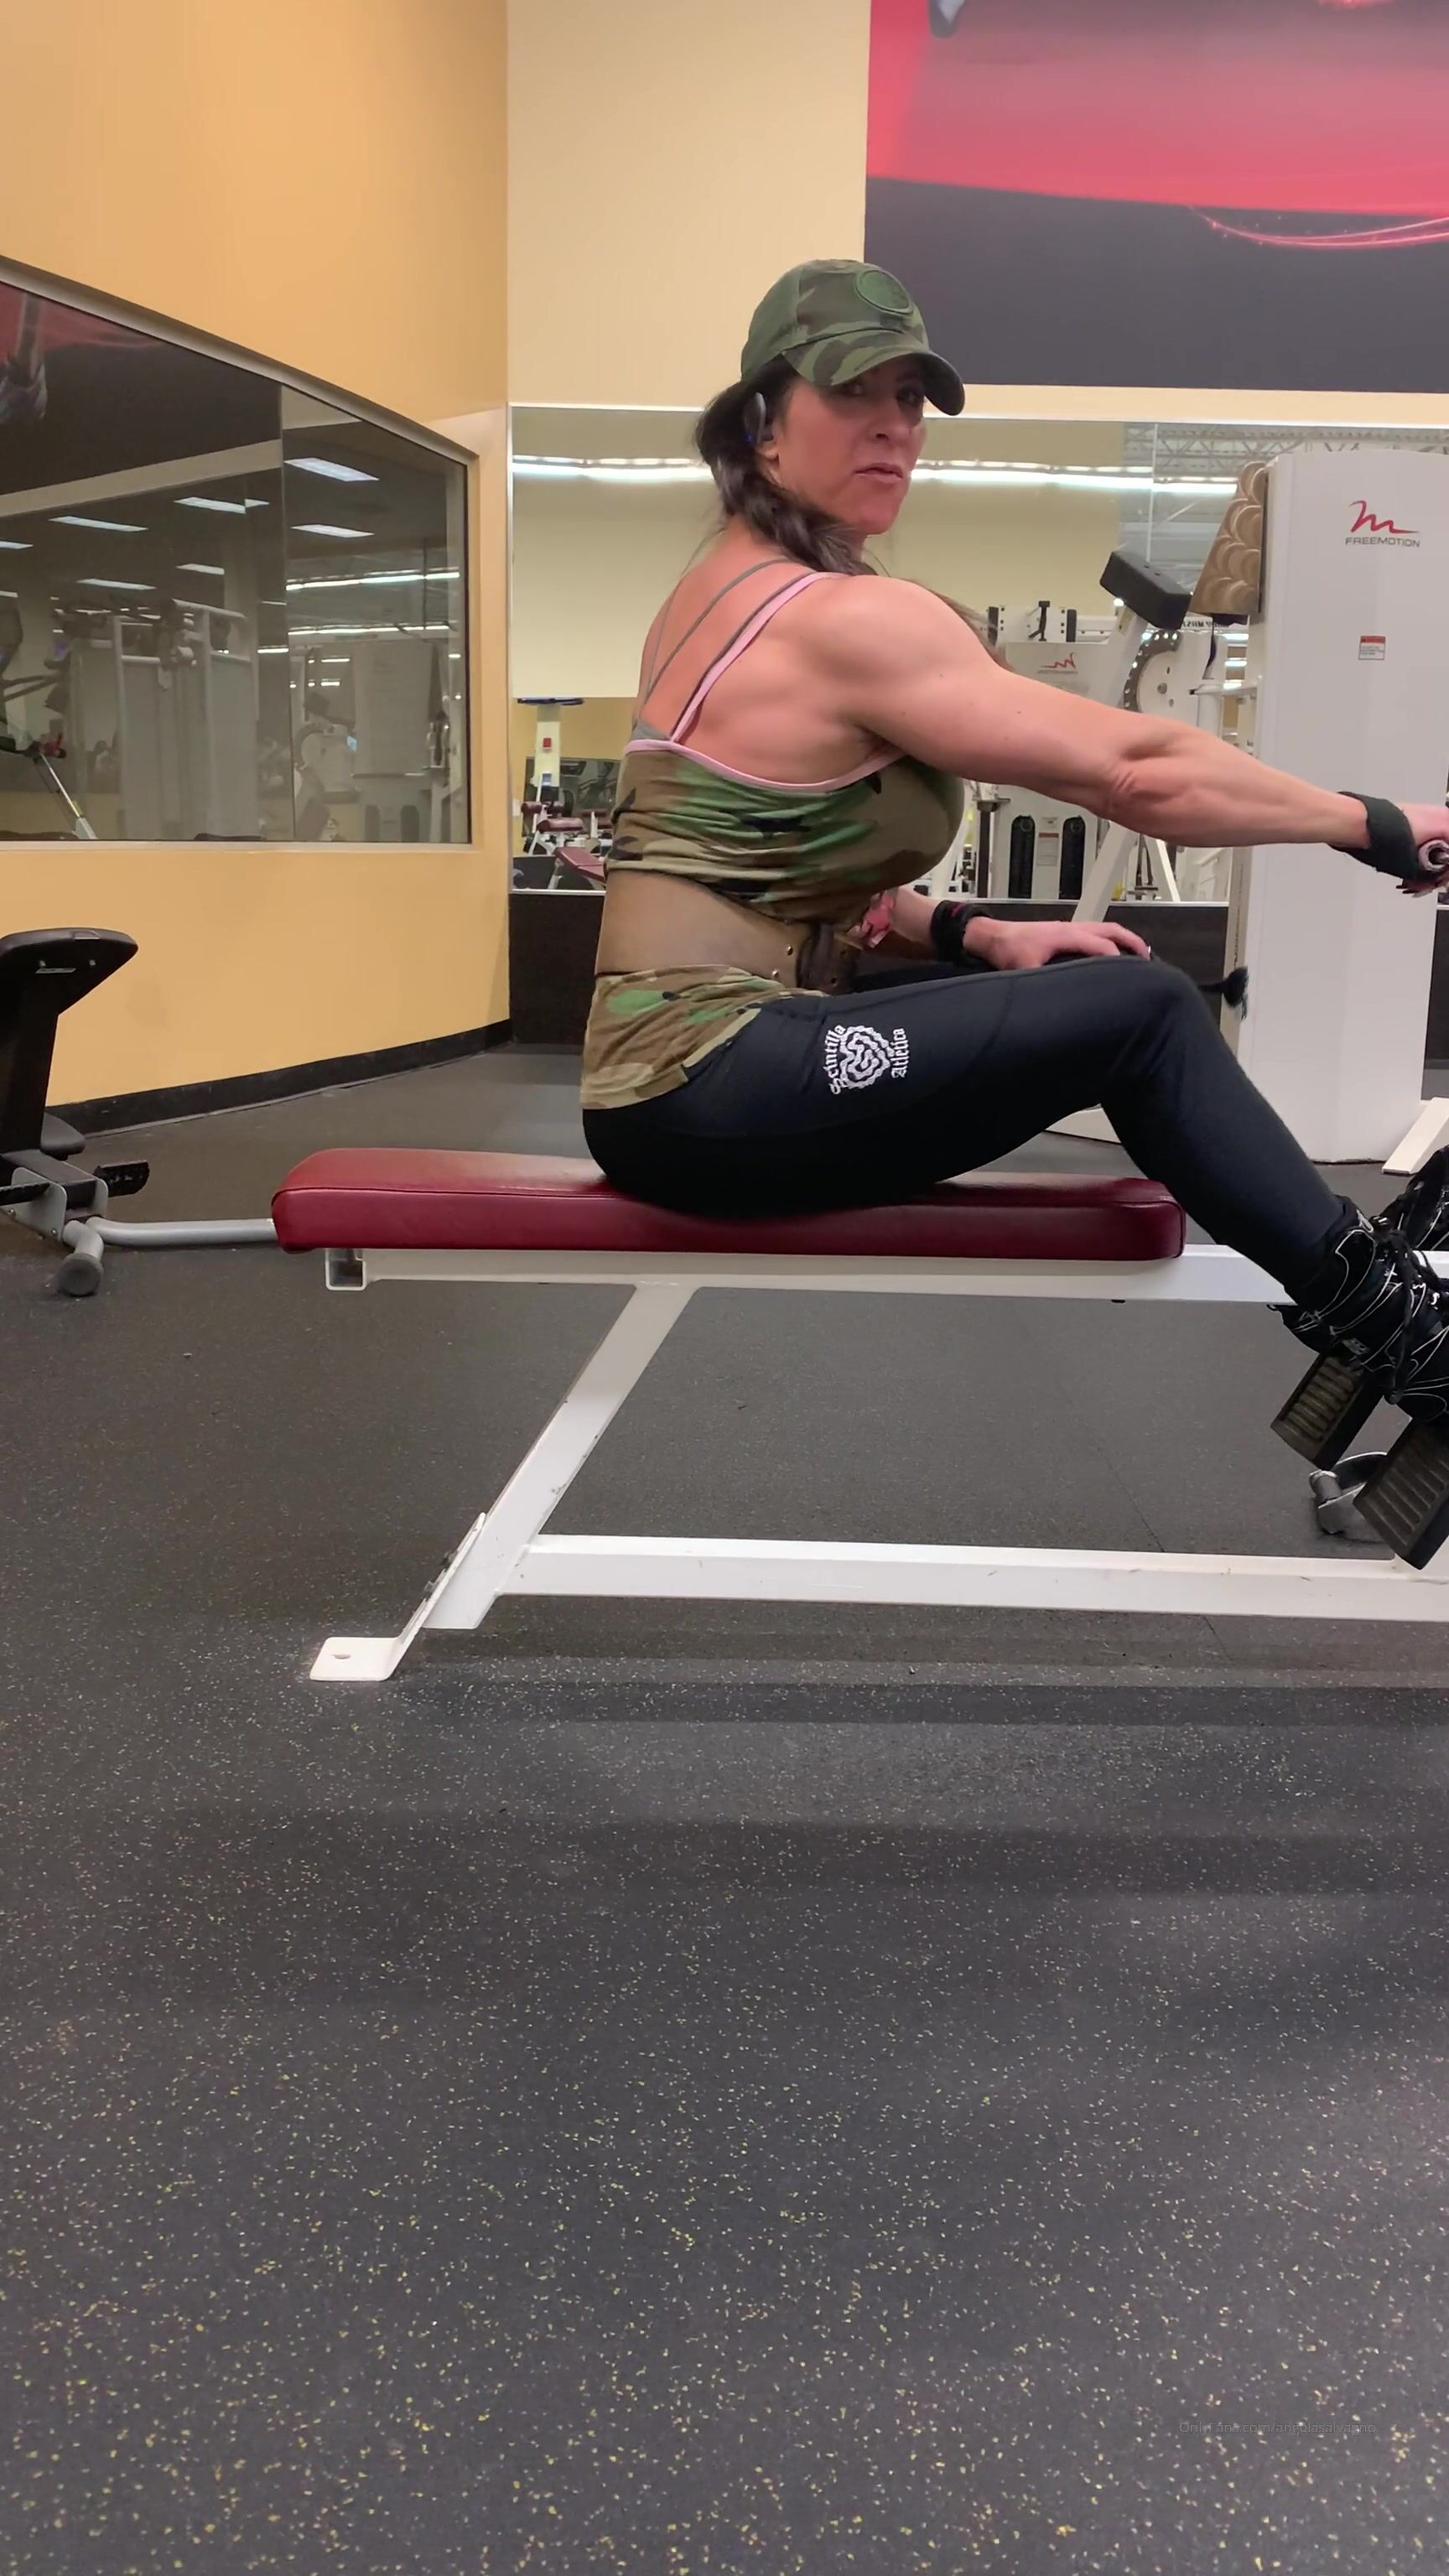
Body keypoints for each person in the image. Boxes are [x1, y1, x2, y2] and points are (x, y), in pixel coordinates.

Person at [581, 257, 1449, 1430]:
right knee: (1143, 1016)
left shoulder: (712, 594)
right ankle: (1409, 1337)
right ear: (761, 423)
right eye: (852, 393)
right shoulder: (839, 619)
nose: (893, 427)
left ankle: (1381, 1309)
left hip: (687, 1081)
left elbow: (769, 879)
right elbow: (1137, 770)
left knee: (1108, 998)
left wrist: (979, 934)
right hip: (706, 1084)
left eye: (909, 400)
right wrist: (1382, 825)